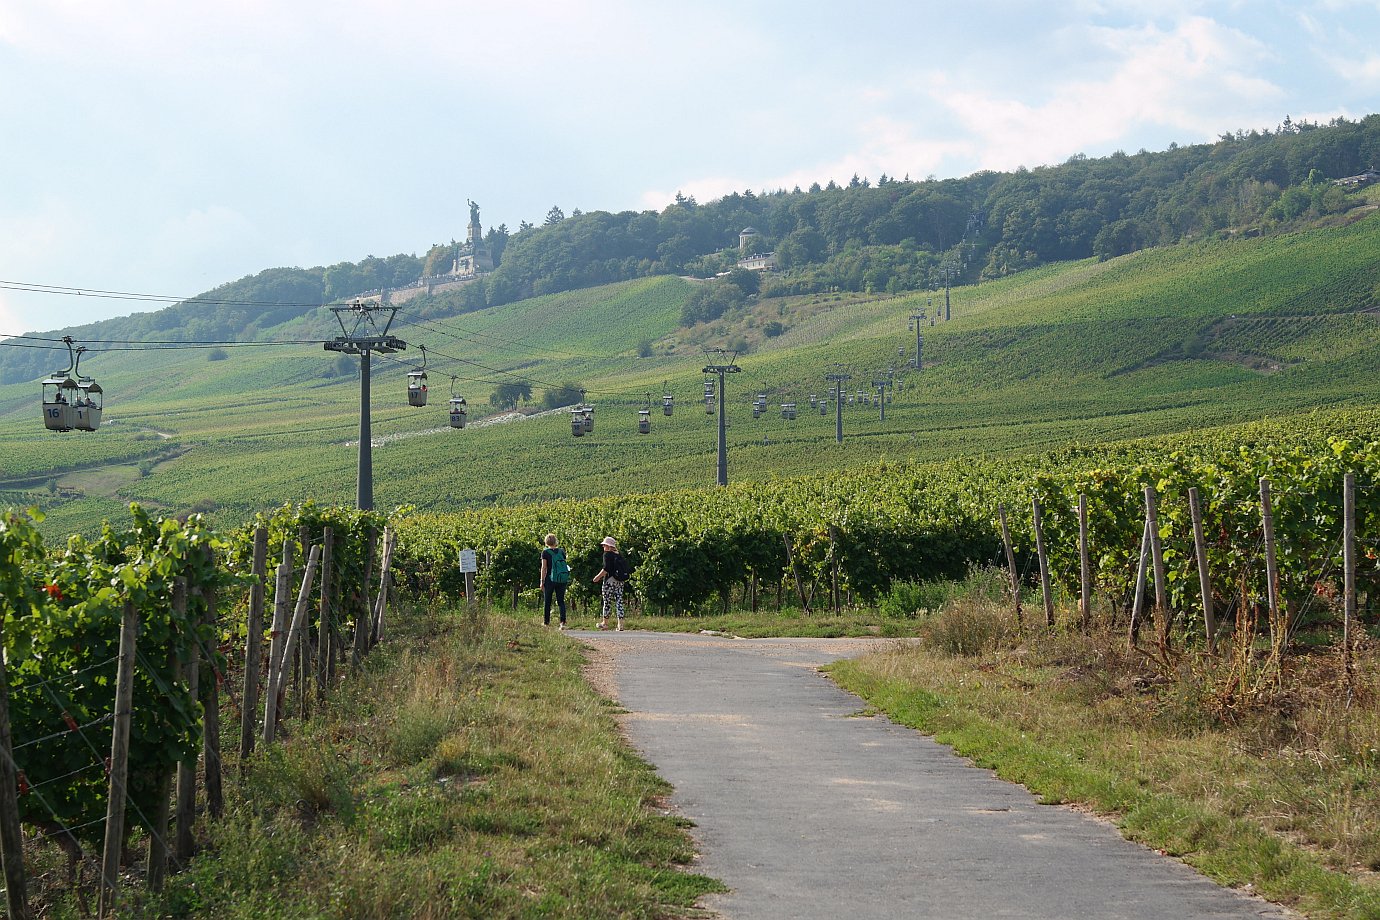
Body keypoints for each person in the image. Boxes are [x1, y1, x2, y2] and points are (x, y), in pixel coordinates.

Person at [593, 535, 628, 631]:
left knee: (607, 602)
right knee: (619, 601)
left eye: (604, 545)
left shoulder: (607, 555)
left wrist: (597, 577)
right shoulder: (619, 555)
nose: (603, 547)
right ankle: (620, 624)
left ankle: (605, 623)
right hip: (620, 582)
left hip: (609, 581)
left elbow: (606, 569)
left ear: (609, 546)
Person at [540, 533, 569, 628]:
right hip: (561, 578)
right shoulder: (561, 551)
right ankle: (563, 621)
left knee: (547, 601)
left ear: (546, 542)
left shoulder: (545, 552)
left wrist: (542, 581)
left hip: (550, 579)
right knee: (561, 601)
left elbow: (544, 567)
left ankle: (546, 622)